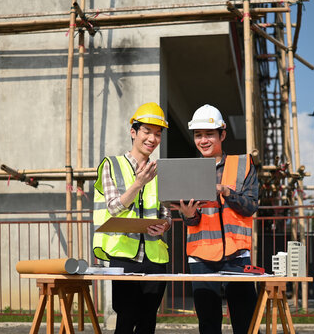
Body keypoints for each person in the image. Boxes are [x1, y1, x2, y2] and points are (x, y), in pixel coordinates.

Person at [172, 104, 258, 334]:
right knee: (208, 324)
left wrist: (226, 191)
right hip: (201, 255)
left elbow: (250, 207)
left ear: (222, 134)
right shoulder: (188, 170)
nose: (203, 140)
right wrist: (189, 216)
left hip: (237, 256)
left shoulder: (243, 165)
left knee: (246, 323)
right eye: (198, 135)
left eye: (209, 134)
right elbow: (191, 221)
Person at [92, 102, 171, 334]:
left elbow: (166, 213)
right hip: (124, 256)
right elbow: (114, 208)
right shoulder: (111, 165)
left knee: (148, 322)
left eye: (157, 134)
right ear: (133, 132)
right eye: (147, 131)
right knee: (126, 319)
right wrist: (138, 183)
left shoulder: (160, 171)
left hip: (156, 258)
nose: (152, 139)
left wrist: (164, 225)